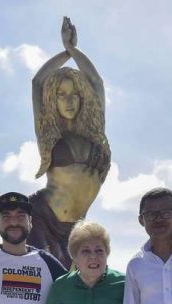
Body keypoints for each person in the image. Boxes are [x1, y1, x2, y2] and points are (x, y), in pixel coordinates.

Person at [29, 16, 111, 267]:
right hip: (42, 216)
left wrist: (75, 50)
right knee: (42, 278)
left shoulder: (95, 133)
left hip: (76, 225)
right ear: (53, 99)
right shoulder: (50, 134)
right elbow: (38, 82)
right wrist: (65, 53)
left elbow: (96, 82)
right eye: (61, 95)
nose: (69, 100)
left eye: (75, 94)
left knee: (73, 285)